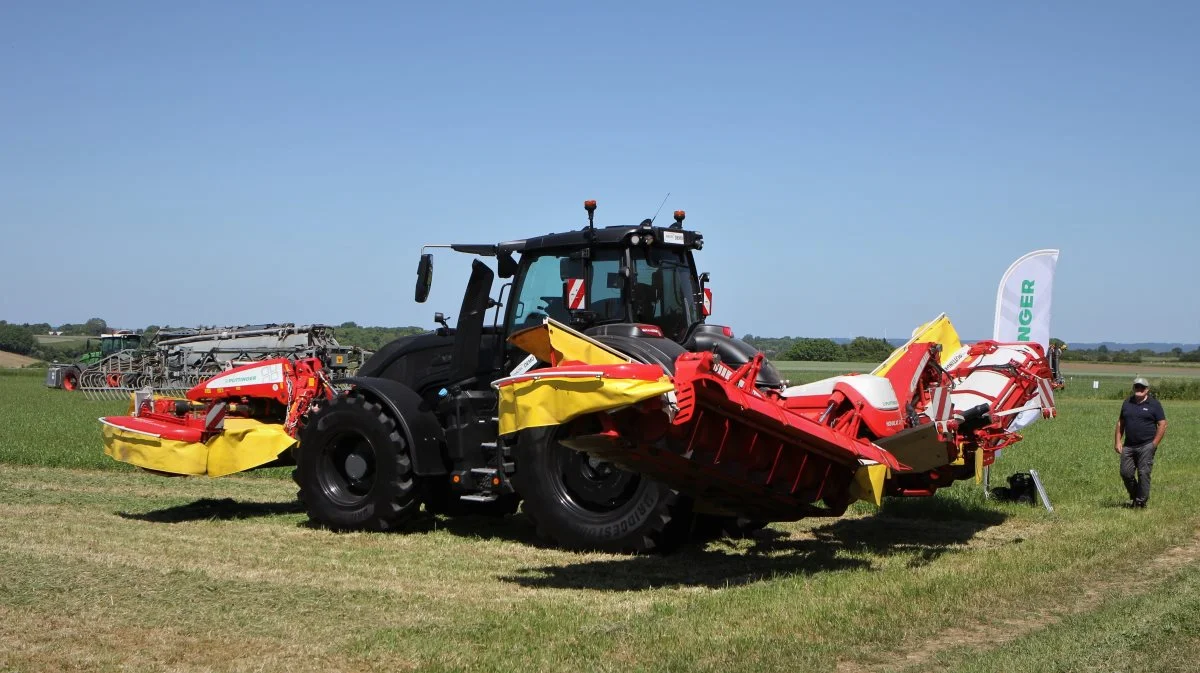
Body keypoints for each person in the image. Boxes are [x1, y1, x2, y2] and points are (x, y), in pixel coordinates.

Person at [1114, 377, 1168, 508]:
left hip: (1146, 445)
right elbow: (1121, 422)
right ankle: (1136, 496)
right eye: (1136, 387)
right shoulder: (1127, 402)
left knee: (1144, 473)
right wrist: (1117, 441)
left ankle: (1140, 502)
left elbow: (1162, 424)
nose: (1139, 389)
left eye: (1142, 387)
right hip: (1129, 445)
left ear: (1147, 390)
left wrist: (1154, 444)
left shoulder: (1154, 404)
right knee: (1125, 473)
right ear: (1133, 388)